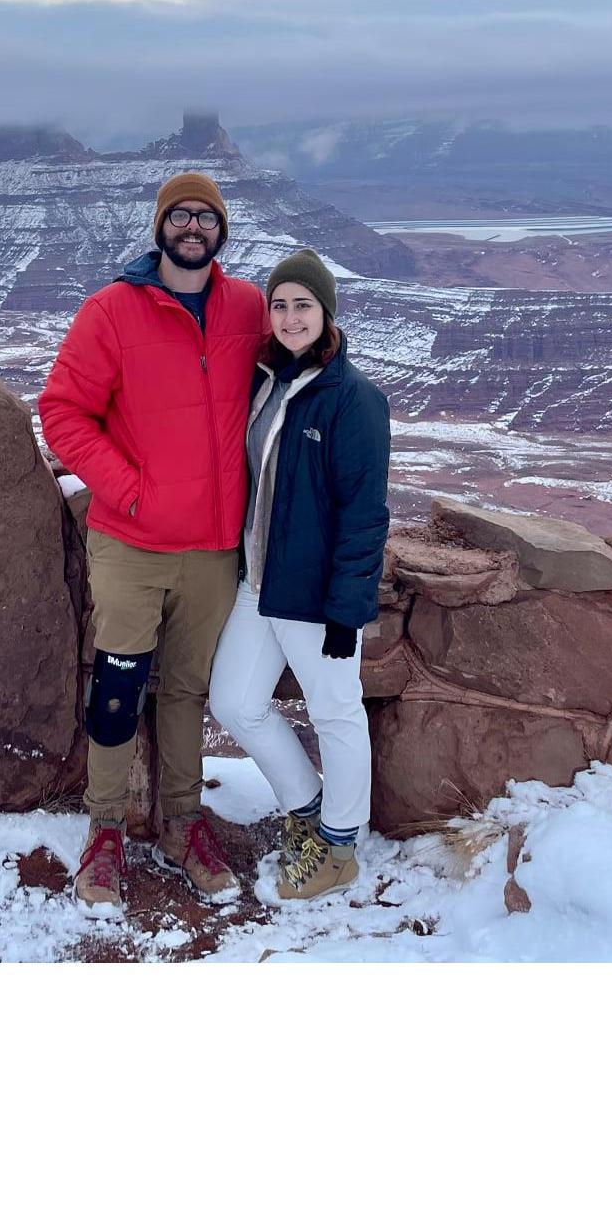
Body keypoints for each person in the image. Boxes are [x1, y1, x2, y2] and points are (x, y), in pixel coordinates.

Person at [37, 169, 268, 914]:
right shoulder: (111, 311)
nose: (193, 227)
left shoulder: (247, 308)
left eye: (206, 216)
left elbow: (292, 366)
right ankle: (105, 831)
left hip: (212, 552)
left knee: (186, 693)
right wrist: (131, 491)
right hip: (132, 546)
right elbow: (63, 412)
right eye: (180, 216)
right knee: (117, 688)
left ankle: (181, 825)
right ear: (160, 228)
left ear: (221, 230)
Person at [208, 248, 390, 901]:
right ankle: (306, 806)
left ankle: (340, 848)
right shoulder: (269, 383)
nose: (289, 317)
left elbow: (364, 514)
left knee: (337, 711)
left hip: (314, 598)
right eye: (279, 305)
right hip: (258, 586)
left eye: (302, 305)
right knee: (234, 700)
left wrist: (348, 609)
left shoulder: (354, 399)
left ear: (326, 314)